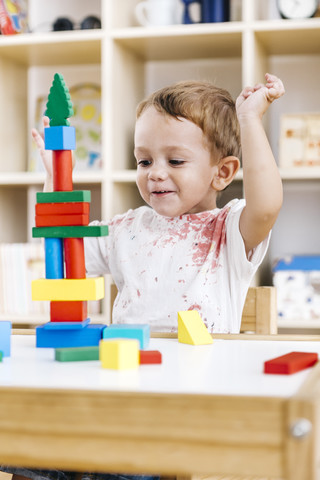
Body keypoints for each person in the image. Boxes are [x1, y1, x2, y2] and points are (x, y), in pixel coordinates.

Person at [1, 72, 284, 480]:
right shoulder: (127, 228)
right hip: (119, 389)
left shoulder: (229, 229)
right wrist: (55, 176)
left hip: (187, 404)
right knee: (32, 441)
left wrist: (250, 120)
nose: (154, 173)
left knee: (123, 467)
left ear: (222, 173)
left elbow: (267, 206)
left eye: (175, 161)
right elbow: (63, 250)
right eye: (144, 160)